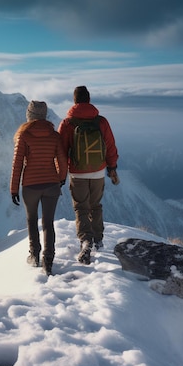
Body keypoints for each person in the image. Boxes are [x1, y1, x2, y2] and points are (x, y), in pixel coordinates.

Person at [57, 86, 119, 265]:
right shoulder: (101, 121)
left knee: (81, 208)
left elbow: (61, 151)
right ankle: (98, 239)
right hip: (98, 171)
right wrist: (112, 167)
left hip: (77, 173)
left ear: (74, 100)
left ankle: (86, 240)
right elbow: (110, 145)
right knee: (95, 205)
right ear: (89, 99)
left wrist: (61, 175)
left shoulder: (68, 123)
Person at [10, 100, 68, 276]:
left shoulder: (24, 136)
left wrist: (13, 189)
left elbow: (17, 164)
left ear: (29, 116)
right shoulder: (54, 135)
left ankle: (34, 255)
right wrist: (60, 178)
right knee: (48, 223)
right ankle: (48, 260)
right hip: (51, 184)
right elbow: (62, 160)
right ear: (45, 115)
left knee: (31, 220)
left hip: (30, 186)